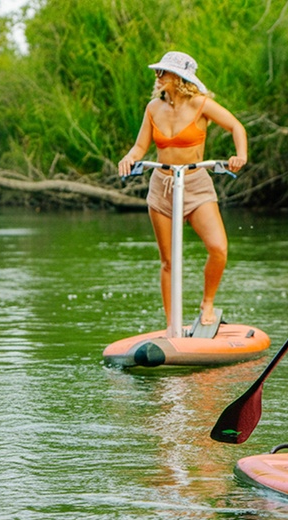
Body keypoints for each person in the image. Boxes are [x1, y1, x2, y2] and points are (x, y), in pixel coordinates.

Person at [118, 51, 247, 328]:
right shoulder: (153, 108)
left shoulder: (201, 104)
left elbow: (236, 126)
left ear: (180, 77)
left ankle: (207, 304)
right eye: (158, 71)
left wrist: (240, 155)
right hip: (162, 187)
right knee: (168, 261)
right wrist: (130, 157)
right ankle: (171, 325)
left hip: (196, 185)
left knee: (218, 248)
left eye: (163, 72)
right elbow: (140, 147)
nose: (158, 76)